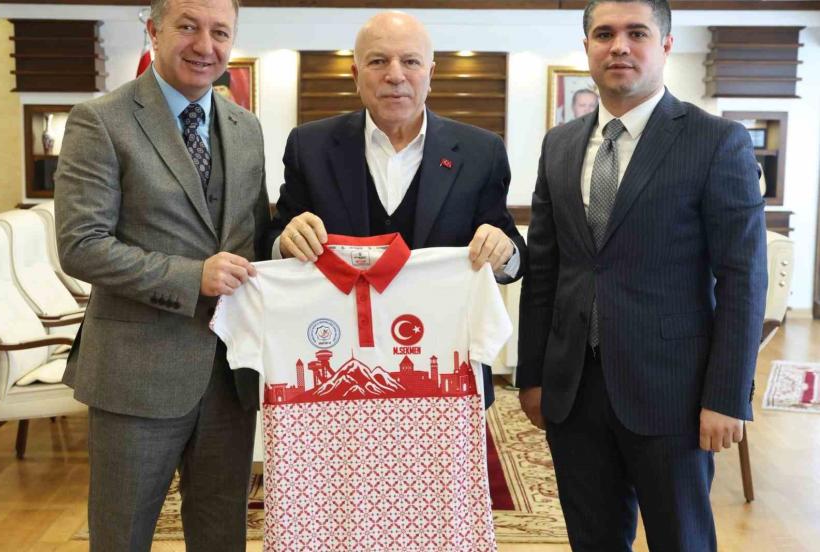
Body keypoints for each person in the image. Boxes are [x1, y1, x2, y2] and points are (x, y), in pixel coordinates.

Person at [516, 1, 767, 550]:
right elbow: (544, 269)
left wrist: (727, 395)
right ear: (587, 47)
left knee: (682, 540)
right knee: (593, 540)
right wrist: (531, 375)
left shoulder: (715, 141)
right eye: (604, 34)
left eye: (637, 33)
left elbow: (743, 279)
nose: (619, 46)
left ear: (666, 45)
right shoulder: (560, 144)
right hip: (574, 390)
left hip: (672, 393)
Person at [54, 0, 269, 549]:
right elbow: (81, 246)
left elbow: (253, 236)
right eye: (188, 27)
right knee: (121, 536)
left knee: (222, 536)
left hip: (230, 374)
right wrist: (191, 277)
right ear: (153, 30)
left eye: (220, 32)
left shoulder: (247, 128)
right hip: (134, 376)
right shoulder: (100, 120)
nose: (205, 45)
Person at [271, 10, 526, 407]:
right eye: (378, 61)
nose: (395, 75)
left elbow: (512, 251)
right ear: (356, 75)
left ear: (430, 73)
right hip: (340, 374)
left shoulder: (482, 151)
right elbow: (274, 240)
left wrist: (503, 250)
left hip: (444, 372)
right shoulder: (310, 146)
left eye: (410, 61)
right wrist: (286, 242)